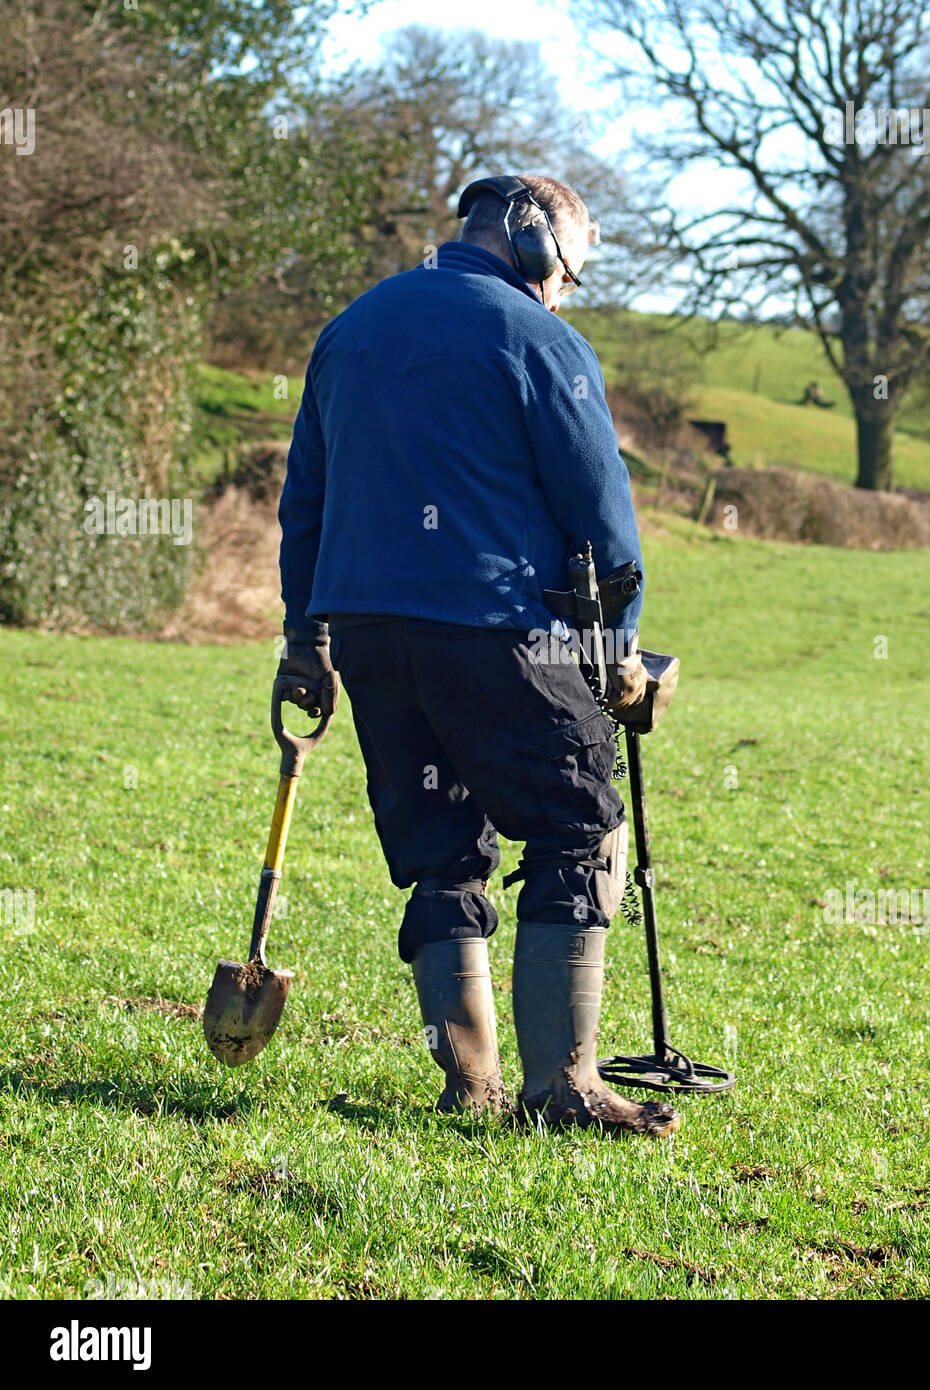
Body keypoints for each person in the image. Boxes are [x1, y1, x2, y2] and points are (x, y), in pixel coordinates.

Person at [276, 173, 678, 1136]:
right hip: (500, 628)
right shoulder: (540, 340)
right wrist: (619, 648)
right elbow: (601, 511)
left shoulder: (349, 330)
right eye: (567, 274)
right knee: (578, 830)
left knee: (440, 851)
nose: (562, 291)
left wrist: (305, 639)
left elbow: (306, 505)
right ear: (536, 247)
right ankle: (563, 1086)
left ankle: (469, 1083)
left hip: (371, 633)